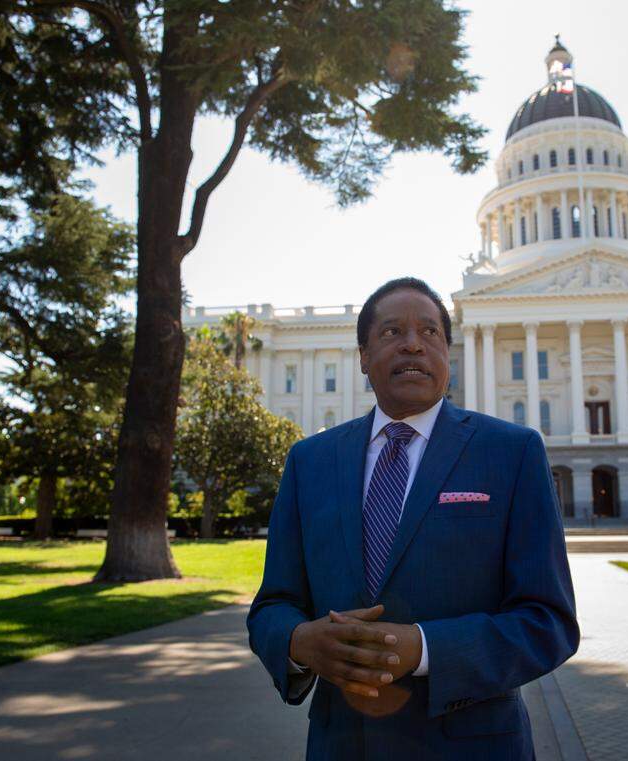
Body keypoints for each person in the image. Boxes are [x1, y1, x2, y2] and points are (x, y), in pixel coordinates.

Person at [247, 277, 578, 759]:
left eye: (430, 332)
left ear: (449, 351)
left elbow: (548, 621)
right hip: (343, 745)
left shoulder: (512, 453)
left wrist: (425, 650)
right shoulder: (310, 461)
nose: (412, 345)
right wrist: (299, 642)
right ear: (362, 357)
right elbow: (272, 605)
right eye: (391, 333)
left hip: (472, 746)